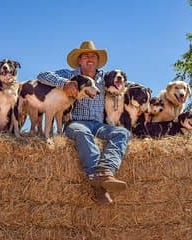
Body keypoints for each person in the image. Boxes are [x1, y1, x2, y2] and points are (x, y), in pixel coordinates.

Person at [37, 40, 131, 204]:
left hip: (99, 124)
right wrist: (65, 83)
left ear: (97, 60)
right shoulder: (70, 75)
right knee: (82, 132)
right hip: (76, 122)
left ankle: (106, 171)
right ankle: (96, 179)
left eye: (93, 56)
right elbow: (42, 75)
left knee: (122, 133)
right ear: (79, 60)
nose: (90, 59)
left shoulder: (106, 78)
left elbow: (126, 85)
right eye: (86, 56)